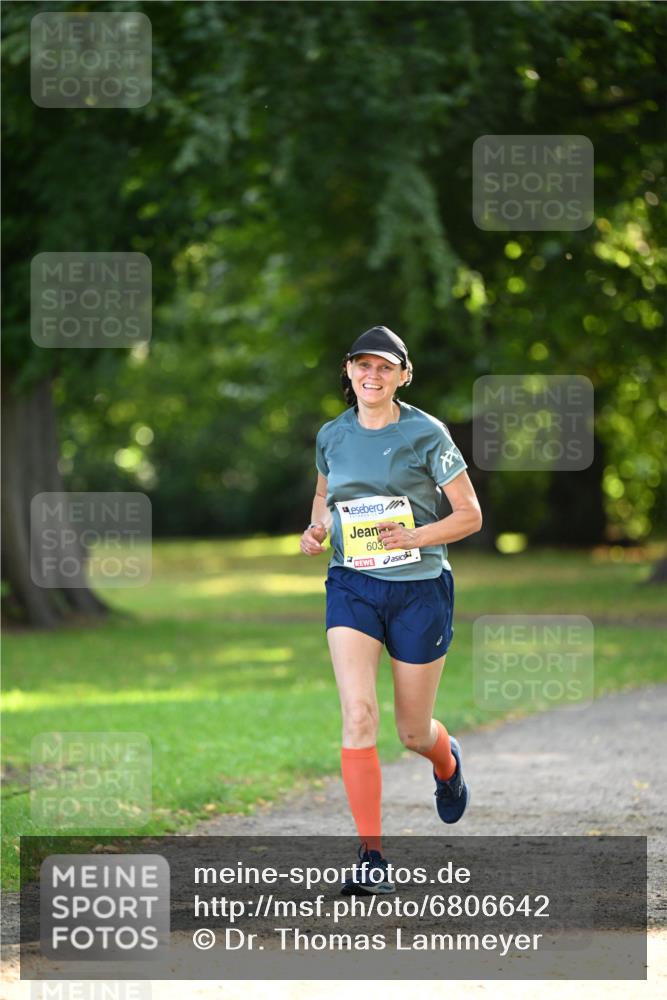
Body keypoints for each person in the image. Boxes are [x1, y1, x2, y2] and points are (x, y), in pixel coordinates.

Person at [300, 325, 483, 895]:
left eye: (384, 368)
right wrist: (316, 530)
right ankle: (371, 856)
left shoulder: (427, 433)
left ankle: (446, 762)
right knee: (358, 714)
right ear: (348, 371)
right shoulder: (332, 434)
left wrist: (414, 537)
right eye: (362, 365)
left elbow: (470, 516)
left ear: (403, 375)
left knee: (410, 731)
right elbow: (325, 500)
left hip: (420, 588)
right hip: (351, 584)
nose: (371, 376)